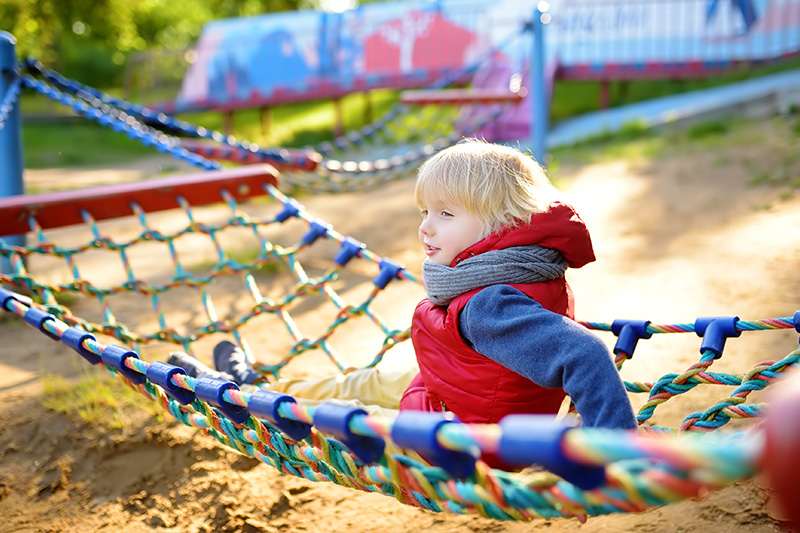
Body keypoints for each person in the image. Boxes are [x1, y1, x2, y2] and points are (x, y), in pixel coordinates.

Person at [169, 139, 636, 434]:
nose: (426, 229)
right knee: (367, 380)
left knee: (344, 413)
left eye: (446, 214)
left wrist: (616, 451)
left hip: (458, 439)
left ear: (502, 225)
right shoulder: (527, 269)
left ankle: (247, 400)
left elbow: (585, 355)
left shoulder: (491, 302)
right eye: (424, 213)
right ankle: (260, 384)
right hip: (456, 395)